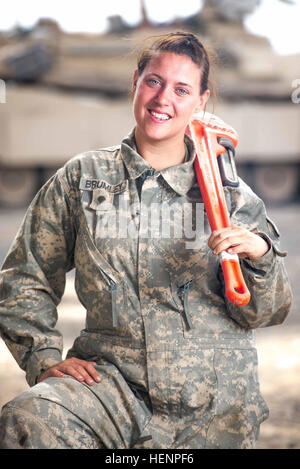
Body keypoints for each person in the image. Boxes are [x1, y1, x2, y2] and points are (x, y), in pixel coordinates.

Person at [0, 31, 292, 449]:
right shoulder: (82, 180)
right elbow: (24, 278)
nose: (163, 99)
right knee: (27, 420)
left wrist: (260, 256)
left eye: (181, 89)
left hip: (213, 403)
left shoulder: (229, 196)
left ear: (201, 101)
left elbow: (268, 311)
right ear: (135, 81)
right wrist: (43, 358)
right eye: (154, 81)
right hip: (112, 391)